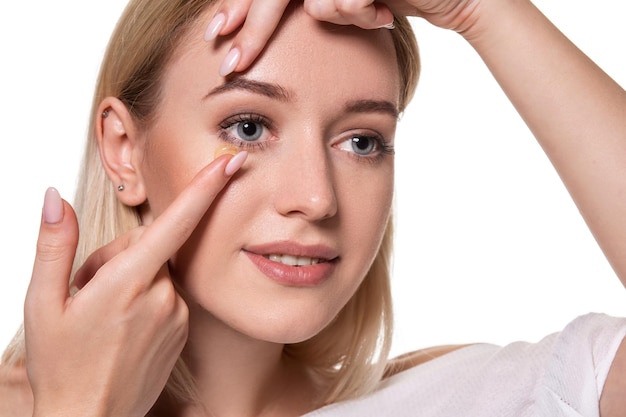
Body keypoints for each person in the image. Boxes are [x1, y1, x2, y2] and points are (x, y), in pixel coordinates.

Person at [1, 1, 625, 417]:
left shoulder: (466, 399)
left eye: (362, 141)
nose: (316, 198)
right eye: (248, 127)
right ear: (123, 150)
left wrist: (483, 11)